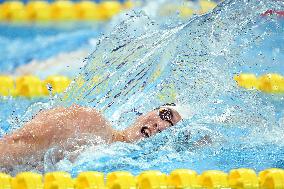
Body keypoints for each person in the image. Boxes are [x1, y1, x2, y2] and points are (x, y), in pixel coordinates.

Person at [0, 104, 184, 170]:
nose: (161, 126)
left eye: (169, 128)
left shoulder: (125, 164)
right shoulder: (89, 121)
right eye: (165, 115)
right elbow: (17, 143)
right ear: (146, 111)